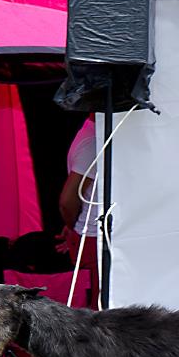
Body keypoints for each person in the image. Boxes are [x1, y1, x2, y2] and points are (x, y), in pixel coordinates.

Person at [57, 114, 100, 307]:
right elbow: (67, 200)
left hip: (89, 234)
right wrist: (73, 227)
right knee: (96, 310)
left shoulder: (91, 132)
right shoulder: (93, 141)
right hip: (92, 237)